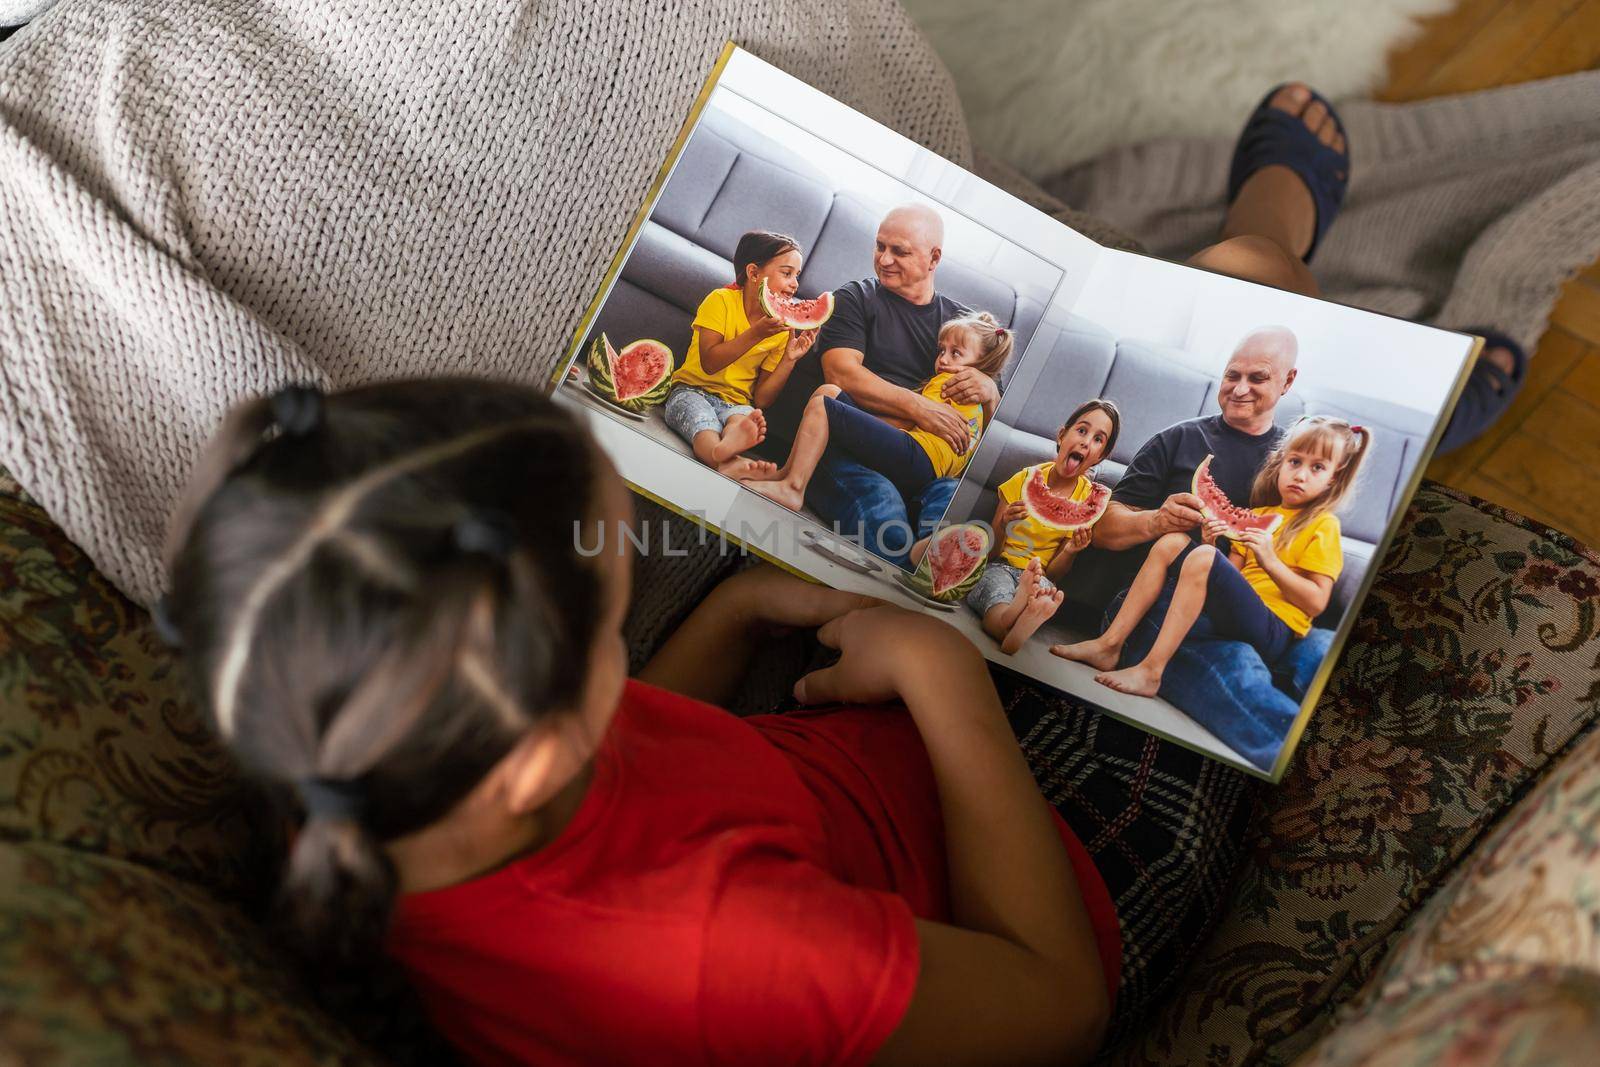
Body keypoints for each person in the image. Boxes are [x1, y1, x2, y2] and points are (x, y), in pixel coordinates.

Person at [158, 378, 1122, 1067]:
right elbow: (1060, 1006)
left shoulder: (351, 751)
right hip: (1050, 886)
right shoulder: (721, 955)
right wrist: (941, 672)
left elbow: (641, 783)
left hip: (841, 748)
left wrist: (739, 608)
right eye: (614, 624)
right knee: (1245, 262)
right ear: (536, 755)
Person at [1059, 417, 1368, 697]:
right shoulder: (1258, 515)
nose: (1300, 475)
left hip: (1275, 630)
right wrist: (1209, 542)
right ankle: (1109, 645)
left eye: (1317, 468)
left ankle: (1151, 672)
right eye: (1295, 462)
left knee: (1203, 557)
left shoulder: (1324, 525)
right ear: (1280, 463)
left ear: (1333, 479)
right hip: (1238, 618)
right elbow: (1228, 578)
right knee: (1173, 541)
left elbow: (1315, 602)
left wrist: (1269, 561)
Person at [758, 203, 994, 565]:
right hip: (849, 451)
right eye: (880, 246)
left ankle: (935, 573)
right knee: (889, 525)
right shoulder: (855, 298)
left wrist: (990, 393)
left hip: (926, 464)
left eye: (899, 251)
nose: (884, 259)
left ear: (933, 259)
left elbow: (984, 425)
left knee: (951, 507)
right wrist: (919, 408)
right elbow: (841, 376)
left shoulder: (960, 329)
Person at [743, 311, 1012, 511]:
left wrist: (854, 423)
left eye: (956, 353)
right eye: (942, 350)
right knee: (829, 393)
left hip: (917, 458)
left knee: (822, 406)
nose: (943, 359)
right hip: (925, 466)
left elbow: (905, 423)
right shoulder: (976, 401)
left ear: (982, 364)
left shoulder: (952, 383)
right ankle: (787, 474)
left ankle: (792, 487)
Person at [959, 400, 1120, 655]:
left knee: (1044, 592)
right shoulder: (1024, 479)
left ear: (1102, 456)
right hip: (1000, 565)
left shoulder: (1088, 501)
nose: (1086, 442)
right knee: (994, 593)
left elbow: (1054, 575)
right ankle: (1011, 624)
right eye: (1081, 430)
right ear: (1061, 435)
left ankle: (1020, 615)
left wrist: (1071, 551)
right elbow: (989, 552)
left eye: (1098, 439)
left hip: (1039, 576)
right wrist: (1003, 524)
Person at [662, 230, 818, 479]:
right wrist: (756, 334)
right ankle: (718, 453)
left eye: (796, 276)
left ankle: (730, 453)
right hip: (690, 390)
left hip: (737, 404)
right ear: (754, 273)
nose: (795, 284)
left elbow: (763, 399)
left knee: (744, 419)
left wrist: (790, 359)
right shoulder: (720, 300)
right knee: (702, 423)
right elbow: (711, 362)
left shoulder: (781, 330)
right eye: (786, 273)